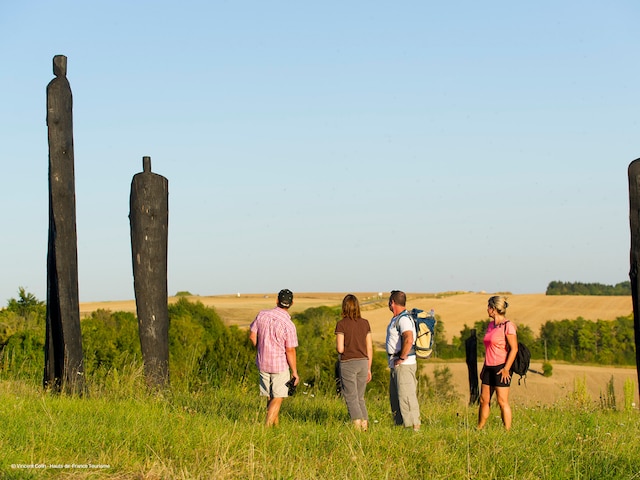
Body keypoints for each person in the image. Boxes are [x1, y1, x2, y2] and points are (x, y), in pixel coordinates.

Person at [249, 289, 300, 427]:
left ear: (277, 301)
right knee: (278, 397)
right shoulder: (289, 325)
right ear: (291, 303)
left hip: (262, 362)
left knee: (270, 397)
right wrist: (294, 372)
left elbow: (252, 336)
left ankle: (275, 428)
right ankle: (266, 428)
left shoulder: (262, 315)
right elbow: (290, 350)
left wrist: (260, 348)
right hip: (280, 365)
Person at [478, 295, 518, 431]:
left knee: (502, 401)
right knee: (484, 400)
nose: (487, 309)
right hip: (488, 367)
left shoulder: (508, 326)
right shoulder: (490, 325)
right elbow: (489, 348)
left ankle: (507, 430)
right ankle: (480, 427)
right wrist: (484, 368)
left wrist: (507, 368)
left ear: (494, 309)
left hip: (502, 367)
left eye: (489, 307)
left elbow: (514, 349)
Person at [335, 294, 373, 431]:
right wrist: (369, 368)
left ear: (344, 307)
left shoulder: (341, 324)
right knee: (360, 397)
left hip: (348, 363)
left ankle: (357, 427)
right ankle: (365, 426)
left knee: (351, 397)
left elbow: (340, 348)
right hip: (363, 363)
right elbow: (369, 347)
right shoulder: (365, 323)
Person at [385, 290, 421, 430]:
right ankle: (401, 427)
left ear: (392, 302)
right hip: (397, 364)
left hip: (404, 365)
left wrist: (401, 357)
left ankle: (414, 429)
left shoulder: (404, 319)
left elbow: (408, 338)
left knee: (407, 397)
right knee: (396, 399)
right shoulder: (398, 318)